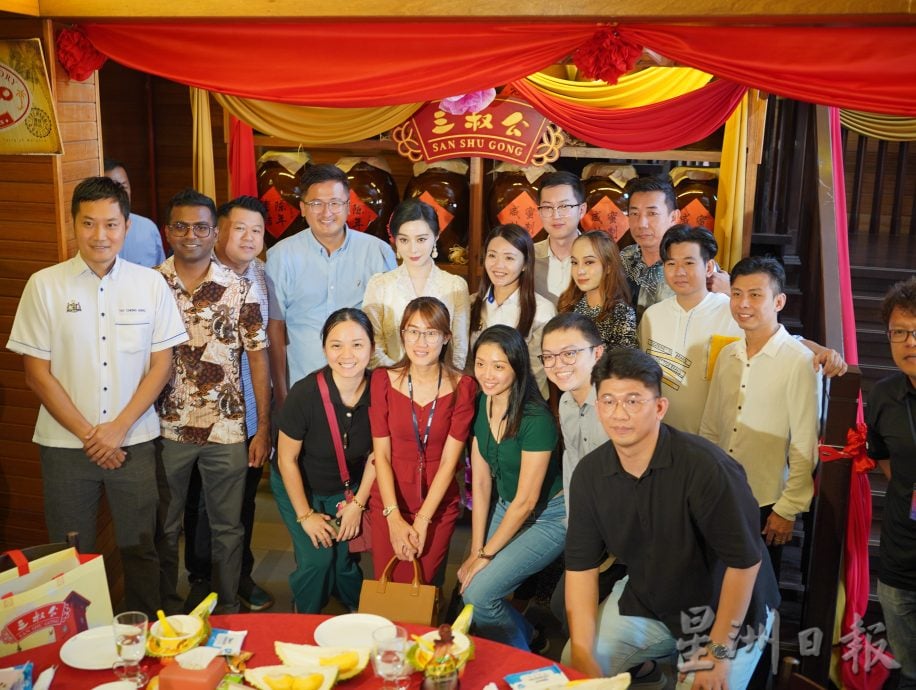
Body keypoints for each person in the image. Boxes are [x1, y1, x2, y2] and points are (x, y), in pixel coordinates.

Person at [6, 176, 187, 615]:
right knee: (69, 555)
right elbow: (36, 373)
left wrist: (118, 429)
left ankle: (143, 635)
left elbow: (162, 364)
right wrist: (93, 434)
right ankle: (75, 643)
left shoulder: (150, 284)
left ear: (127, 227)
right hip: (65, 446)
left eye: (110, 224)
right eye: (89, 224)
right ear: (74, 225)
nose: (100, 235)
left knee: (141, 547)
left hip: (135, 442)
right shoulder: (44, 285)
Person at [564, 348, 779, 688]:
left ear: (660, 408)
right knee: (573, 664)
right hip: (651, 600)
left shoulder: (707, 468)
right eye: (608, 401)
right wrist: (581, 652)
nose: (619, 413)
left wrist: (718, 652)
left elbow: (745, 564)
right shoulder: (590, 474)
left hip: (725, 610)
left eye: (633, 401)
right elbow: (580, 567)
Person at [155, 188, 269, 615]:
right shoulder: (150, 283)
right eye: (181, 226)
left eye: (201, 226)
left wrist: (263, 428)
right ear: (168, 231)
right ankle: (165, 609)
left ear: (214, 232)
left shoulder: (241, 289)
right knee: (165, 527)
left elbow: (258, 360)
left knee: (228, 528)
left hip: (228, 426)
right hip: (166, 427)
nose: (191, 234)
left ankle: (226, 608)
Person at [641, 225, 847, 435]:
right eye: (671, 263)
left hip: (717, 437)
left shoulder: (734, 309)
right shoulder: (652, 315)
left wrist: (820, 350)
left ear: (709, 267)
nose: (679, 272)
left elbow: (780, 339)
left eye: (689, 263)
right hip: (661, 432)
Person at [700, 256, 820, 578]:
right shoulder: (727, 354)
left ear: (779, 300)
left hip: (766, 500)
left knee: (758, 597)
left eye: (755, 295)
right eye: (737, 294)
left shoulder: (799, 361)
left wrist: (788, 507)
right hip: (722, 492)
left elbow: (805, 442)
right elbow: (711, 427)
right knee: (715, 586)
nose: (743, 304)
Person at [458, 325, 565, 651]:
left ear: (517, 367)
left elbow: (528, 500)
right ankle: (528, 636)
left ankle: (519, 667)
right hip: (508, 504)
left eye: (499, 366)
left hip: (549, 516)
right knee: (469, 587)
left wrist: (486, 555)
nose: (487, 374)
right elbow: (479, 479)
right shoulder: (482, 403)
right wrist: (476, 548)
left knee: (478, 594)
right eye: (481, 363)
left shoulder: (536, 418)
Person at [266, 164, 396, 408]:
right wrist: (282, 395)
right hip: (302, 388)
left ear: (348, 206)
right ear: (303, 208)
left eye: (335, 203)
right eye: (316, 204)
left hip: (364, 390)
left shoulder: (377, 252)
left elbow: (390, 324)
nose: (327, 212)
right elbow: (275, 328)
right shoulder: (281, 256)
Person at [273, 308, 377, 613]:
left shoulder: (381, 391)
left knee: (345, 555)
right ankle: (303, 618)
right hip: (298, 484)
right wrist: (305, 516)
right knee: (318, 558)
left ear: (372, 347)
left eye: (357, 344)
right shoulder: (304, 394)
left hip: (346, 489)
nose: (347, 354)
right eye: (336, 345)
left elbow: (377, 455)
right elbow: (286, 460)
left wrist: (358, 505)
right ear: (324, 349)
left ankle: (355, 610)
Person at [370, 296, 476, 586]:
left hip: (436, 506)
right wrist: (392, 517)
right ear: (402, 334)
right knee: (387, 584)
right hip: (390, 501)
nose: (421, 341)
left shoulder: (463, 387)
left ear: (446, 338)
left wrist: (423, 520)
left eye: (431, 333)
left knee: (423, 585)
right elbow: (382, 454)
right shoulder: (382, 381)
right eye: (413, 331)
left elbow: (449, 462)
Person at [539, 313, 626, 632]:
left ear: (598, 353)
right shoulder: (565, 403)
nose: (558, 364)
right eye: (549, 356)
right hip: (591, 532)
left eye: (569, 353)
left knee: (577, 617)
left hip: (630, 540)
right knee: (564, 609)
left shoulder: (617, 408)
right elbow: (574, 466)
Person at [865, 277, 916, 689]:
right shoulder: (884, 396)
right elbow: (881, 455)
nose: (909, 342)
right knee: (908, 670)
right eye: (899, 332)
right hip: (900, 555)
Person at [362, 199, 470, 370]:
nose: (413, 249)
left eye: (421, 239)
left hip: (441, 387)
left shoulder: (455, 286)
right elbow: (372, 345)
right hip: (390, 382)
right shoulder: (379, 285)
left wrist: (440, 383)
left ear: (436, 236)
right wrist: (401, 379)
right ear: (395, 240)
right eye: (404, 240)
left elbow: (458, 349)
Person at [470, 224, 556, 397]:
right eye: (492, 255)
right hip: (475, 401)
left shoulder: (542, 310)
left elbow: (536, 373)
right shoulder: (471, 304)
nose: (498, 265)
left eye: (509, 258)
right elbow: (463, 362)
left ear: (525, 264)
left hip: (523, 405)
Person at [558, 231, 637, 350]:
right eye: (574, 262)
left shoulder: (621, 314)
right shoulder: (568, 303)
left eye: (589, 262)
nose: (580, 271)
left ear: (609, 266)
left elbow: (623, 365)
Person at [619, 175, 680, 322]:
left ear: (673, 217)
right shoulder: (623, 258)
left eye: (652, 213)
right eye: (634, 213)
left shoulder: (690, 263)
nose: (642, 224)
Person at [534, 171, 586, 305]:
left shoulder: (599, 258)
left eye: (564, 206)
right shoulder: (527, 257)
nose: (555, 215)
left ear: (581, 210)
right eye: (547, 207)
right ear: (539, 211)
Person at [104, 159, 166, 268]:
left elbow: (160, 276)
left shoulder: (148, 228)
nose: (119, 195)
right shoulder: (93, 233)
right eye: (112, 190)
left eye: (123, 187)